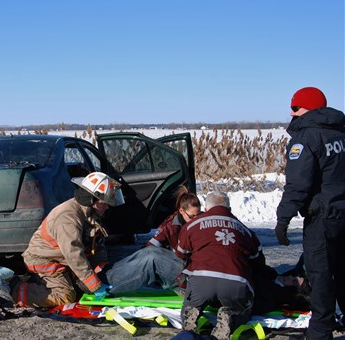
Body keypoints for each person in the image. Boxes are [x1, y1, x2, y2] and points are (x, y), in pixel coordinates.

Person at [274, 86, 345, 339]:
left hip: (322, 220)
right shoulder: (341, 132)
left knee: (321, 276)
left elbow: (298, 184)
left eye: (295, 108)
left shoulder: (307, 138)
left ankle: (320, 332)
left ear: (307, 108)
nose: (291, 112)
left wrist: (283, 218)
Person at [12, 172, 124, 308]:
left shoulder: (89, 213)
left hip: (61, 260)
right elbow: (74, 255)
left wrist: (102, 271)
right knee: (65, 296)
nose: (107, 207)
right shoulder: (67, 218)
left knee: (81, 287)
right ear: (91, 199)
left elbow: (96, 246)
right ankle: (13, 290)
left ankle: (37, 283)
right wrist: (96, 286)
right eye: (104, 203)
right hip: (44, 261)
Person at [176, 191, 262, 340]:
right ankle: (231, 316)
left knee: (191, 303)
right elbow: (258, 261)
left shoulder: (193, 224)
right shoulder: (244, 229)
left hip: (202, 280)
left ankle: (192, 312)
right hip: (235, 282)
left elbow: (181, 253)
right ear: (229, 208)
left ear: (207, 208)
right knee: (245, 309)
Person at [105, 185, 201, 295]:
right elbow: (153, 244)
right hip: (185, 264)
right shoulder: (172, 226)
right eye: (192, 216)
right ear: (181, 211)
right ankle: (110, 274)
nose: (195, 220)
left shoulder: (201, 224)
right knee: (149, 251)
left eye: (198, 216)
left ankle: (110, 286)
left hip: (192, 274)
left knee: (152, 260)